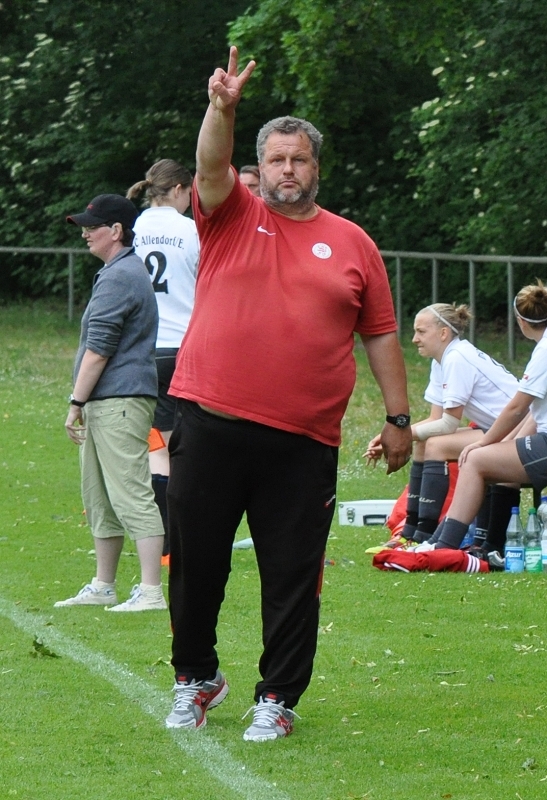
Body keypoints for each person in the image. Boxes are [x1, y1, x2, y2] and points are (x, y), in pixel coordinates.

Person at [164, 46, 412, 741]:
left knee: (292, 576)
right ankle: (195, 678)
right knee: (197, 566)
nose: (287, 170)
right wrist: (222, 108)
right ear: (261, 167)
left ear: (316, 167)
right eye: (275, 159)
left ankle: (276, 696)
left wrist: (399, 419)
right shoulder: (230, 215)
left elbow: (381, 335)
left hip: (301, 441)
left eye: (298, 159)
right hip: (208, 422)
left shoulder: (353, 243)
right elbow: (211, 164)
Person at [56, 194, 167, 611]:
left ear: (116, 231)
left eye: (92, 226)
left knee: (131, 493)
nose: (85, 233)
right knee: (99, 495)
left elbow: (99, 349)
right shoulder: (116, 271)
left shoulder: (120, 275)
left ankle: (152, 591)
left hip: (120, 399)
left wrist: (75, 402)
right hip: (108, 400)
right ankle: (104, 584)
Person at [366, 303, 519, 546]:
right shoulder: (442, 359)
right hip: (498, 430)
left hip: (520, 433)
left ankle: (424, 536)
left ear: (444, 333)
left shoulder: (457, 358)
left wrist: (401, 436)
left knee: (435, 445)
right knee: (424, 443)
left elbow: (447, 424)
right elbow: (434, 419)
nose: (415, 339)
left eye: (421, 331)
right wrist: (394, 435)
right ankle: (410, 532)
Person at [422, 281, 547, 551]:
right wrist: (501, 443)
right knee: (490, 460)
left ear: (520, 321)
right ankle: (487, 547)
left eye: (421, 331)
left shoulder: (544, 351)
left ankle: (442, 545)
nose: (415, 339)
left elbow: (516, 408)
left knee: (476, 459)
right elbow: (532, 413)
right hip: (537, 432)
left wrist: (483, 442)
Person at [126, 160, 200, 559]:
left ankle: (158, 539)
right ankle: (174, 541)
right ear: (178, 189)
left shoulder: (131, 227)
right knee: (176, 448)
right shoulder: (192, 230)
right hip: (180, 347)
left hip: (137, 348)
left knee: (151, 445)